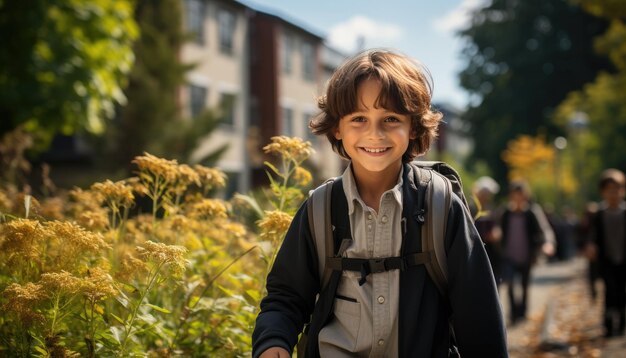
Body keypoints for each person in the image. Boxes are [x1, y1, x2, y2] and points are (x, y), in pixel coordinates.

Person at [252, 49, 507, 357]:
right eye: (359, 118)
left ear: (412, 126)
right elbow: (286, 296)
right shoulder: (319, 209)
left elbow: (478, 315)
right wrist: (274, 340)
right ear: (337, 127)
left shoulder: (440, 205)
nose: (375, 134)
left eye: (390, 118)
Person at [498, 180, 555, 325]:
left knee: (524, 285)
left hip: (526, 256)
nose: (518, 198)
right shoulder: (505, 213)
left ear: (526, 196)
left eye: (521, 195)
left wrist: (547, 243)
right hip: (508, 256)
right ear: (511, 196)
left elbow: (544, 230)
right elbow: (497, 228)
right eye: (515, 195)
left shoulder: (532, 212)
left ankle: (523, 312)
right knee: (509, 284)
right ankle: (513, 313)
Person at [587, 169, 626, 337]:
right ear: (603, 192)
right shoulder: (599, 214)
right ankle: (609, 325)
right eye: (609, 190)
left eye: (616, 189)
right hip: (607, 260)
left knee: (622, 292)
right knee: (609, 291)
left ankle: (622, 323)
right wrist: (591, 246)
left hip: (624, 259)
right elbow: (592, 236)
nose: (613, 194)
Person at [471, 176, 503, 286]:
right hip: (475, 252)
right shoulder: (470, 208)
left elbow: (496, 226)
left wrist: (497, 233)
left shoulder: (491, 208)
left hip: (491, 252)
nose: (486, 197)